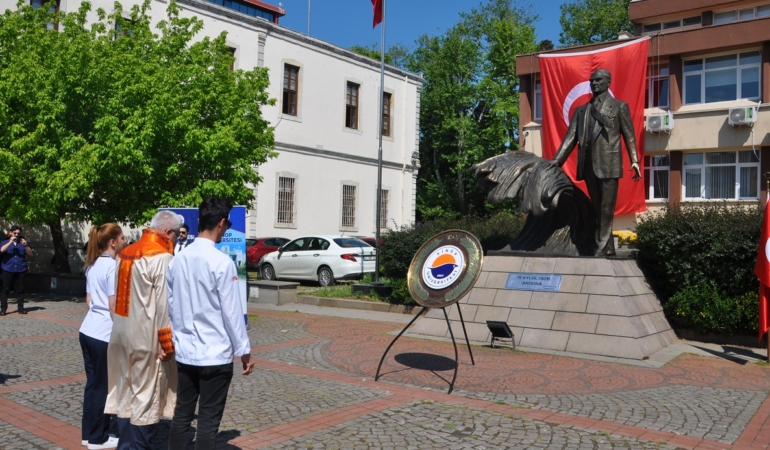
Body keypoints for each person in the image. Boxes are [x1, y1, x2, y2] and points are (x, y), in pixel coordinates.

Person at [167, 197, 254, 450]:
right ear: (222, 223)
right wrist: (244, 351)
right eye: (226, 227)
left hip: (185, 353)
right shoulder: (221, 262)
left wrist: (173, 339)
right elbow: (232, 313)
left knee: (182, 414)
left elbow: (171, 307)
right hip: (215, 354)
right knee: (206, 421)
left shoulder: (178, 260)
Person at [105, 210, 182, 450]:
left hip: (121, 335)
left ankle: (126, 446)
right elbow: (163, 307)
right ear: (168, 232)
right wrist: (168, 346)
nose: (178, 240)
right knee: (144, 397)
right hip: (146, 339)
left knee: (125, 394)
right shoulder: (162, 257)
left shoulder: (124, 253)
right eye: (177, 235)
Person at [551, 68, 641, 256]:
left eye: (598, 80)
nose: (594, 83)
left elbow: (629, 136)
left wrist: (635, 161)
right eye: (592, 80)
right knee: (597, 208)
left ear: (608, 82)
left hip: (609, 165)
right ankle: (606, 249)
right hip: (589, 165)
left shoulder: (618, 107)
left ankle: (600, 247)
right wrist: (556, 161)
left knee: (607, 208)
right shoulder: (582, 111)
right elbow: (570, 138)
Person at [80, 224, 127, 450]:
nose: (125, 241)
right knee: (103, 387)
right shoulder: (112, 266)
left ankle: (88, 433)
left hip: (88, 330)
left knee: (93, 385)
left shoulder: (92, 264)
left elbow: (89, 300)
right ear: (113, 242)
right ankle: (98, 438)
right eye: (123, 238)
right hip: (102, 334)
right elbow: (112, 304)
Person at [0, 225, 33, 315]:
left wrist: (26, 245)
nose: (16, 235)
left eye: (18, 233)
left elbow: (30, 254)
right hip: (7, 268)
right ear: (11, 232)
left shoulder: (22, 243)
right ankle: (3, 309)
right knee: (5, 289)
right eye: (15, 233)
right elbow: (2, 250)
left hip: (20, 269)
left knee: (20, 290)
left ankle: (21, 308)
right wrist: (10, 242)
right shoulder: (5, 242)